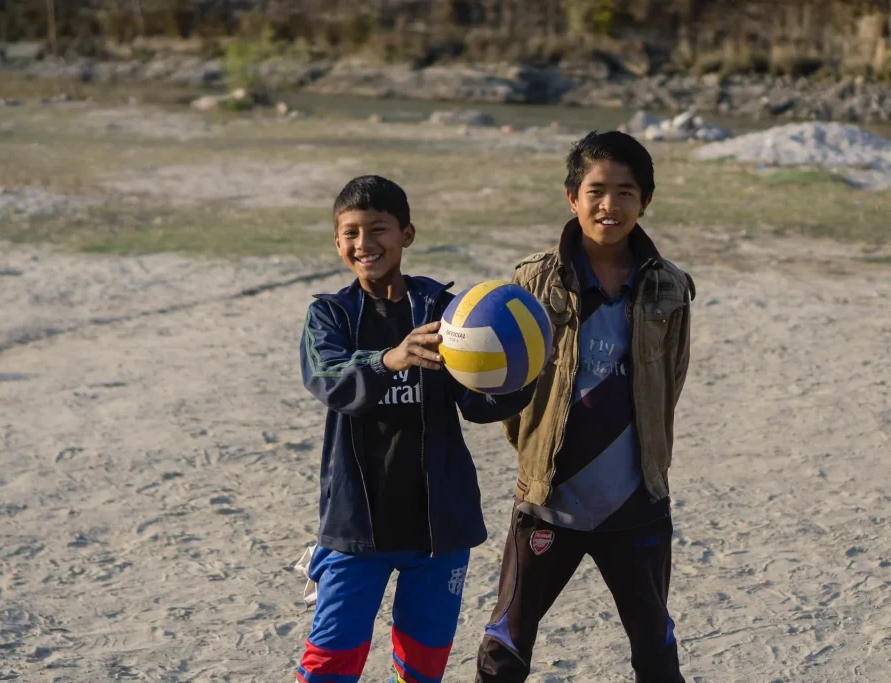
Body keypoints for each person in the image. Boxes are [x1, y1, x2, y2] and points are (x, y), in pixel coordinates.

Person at [474, 131, 696, 683]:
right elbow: (510, 389)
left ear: (645, 200)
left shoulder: (670, 287)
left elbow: (672, 380)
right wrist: (536, 454)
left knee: (655, 647)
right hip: (550, 501)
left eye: (626, 192)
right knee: (505, 647)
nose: (610, 205)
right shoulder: (531, 281)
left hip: (636, 502)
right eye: (596, 190)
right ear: (572, 197)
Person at [297, 175, 535, 683]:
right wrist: (389, 360)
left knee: (421, 668)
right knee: (329, 667)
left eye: (378, 229)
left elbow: (475, 403)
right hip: (356, 527)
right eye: (352, 233)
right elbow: (328, 377)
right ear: (338, 242)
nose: (365, 244)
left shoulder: (444, 312)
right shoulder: (330, 314)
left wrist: (522, 375)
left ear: (406, 234)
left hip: (439, 527)